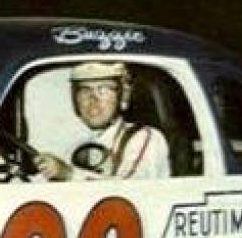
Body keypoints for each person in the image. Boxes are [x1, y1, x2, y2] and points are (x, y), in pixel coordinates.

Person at [33, 61, 170, 181]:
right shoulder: (77, 148)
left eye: (103, 89)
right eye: (85, 90)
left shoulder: (145, 137)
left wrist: (68, 174)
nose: (93, 100)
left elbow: (130, 189)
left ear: (123, 96)